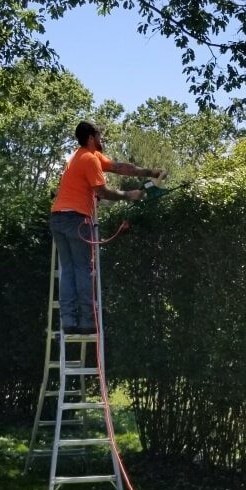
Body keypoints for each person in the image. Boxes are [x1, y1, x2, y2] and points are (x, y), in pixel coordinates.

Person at [50, 121, 166, 334]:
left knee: (68, 269)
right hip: (76, 219)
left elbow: (119, 167)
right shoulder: (89, 159)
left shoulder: (80, 156)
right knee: (82, 269)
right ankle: (86, 321)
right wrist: (128, 195)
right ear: (92, 137)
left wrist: (151, 172)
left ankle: (68, 320)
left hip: (57, 218)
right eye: (99, 135)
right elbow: (102, 192)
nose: (101, 139)